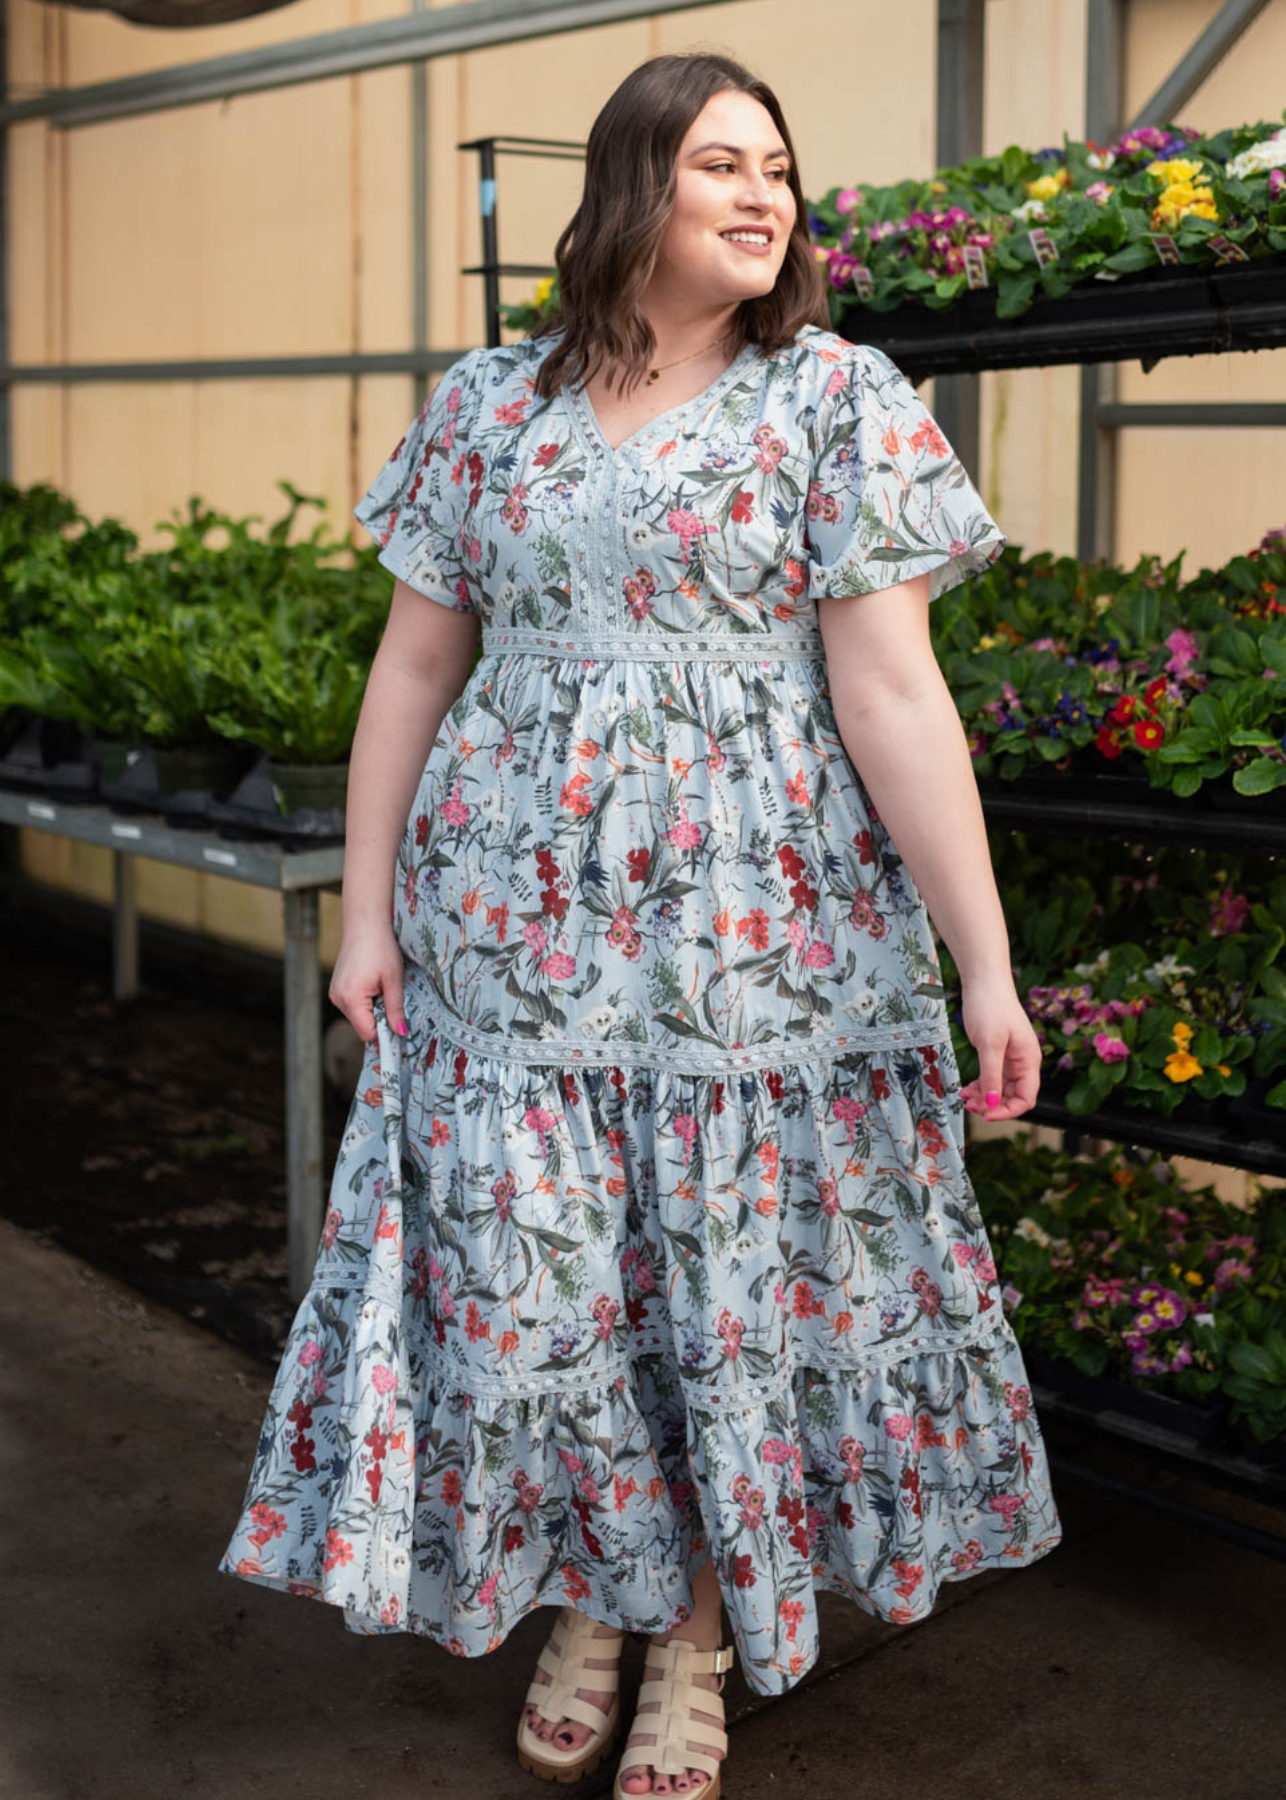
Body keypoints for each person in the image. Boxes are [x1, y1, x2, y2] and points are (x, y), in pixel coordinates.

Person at [218, 48, 1063, 1800]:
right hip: (507, 950)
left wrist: (981, 960)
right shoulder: (483, 404)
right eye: (723, 167)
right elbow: (413, 667)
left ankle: (685, 1626)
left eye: (781, 171)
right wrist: (365, 906)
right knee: (545, 1298)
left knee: (721, 1302)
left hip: (758, 946)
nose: (768, 198)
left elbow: (894, 692)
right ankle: (590, 1588)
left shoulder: (836, 398)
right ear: (629, 192)